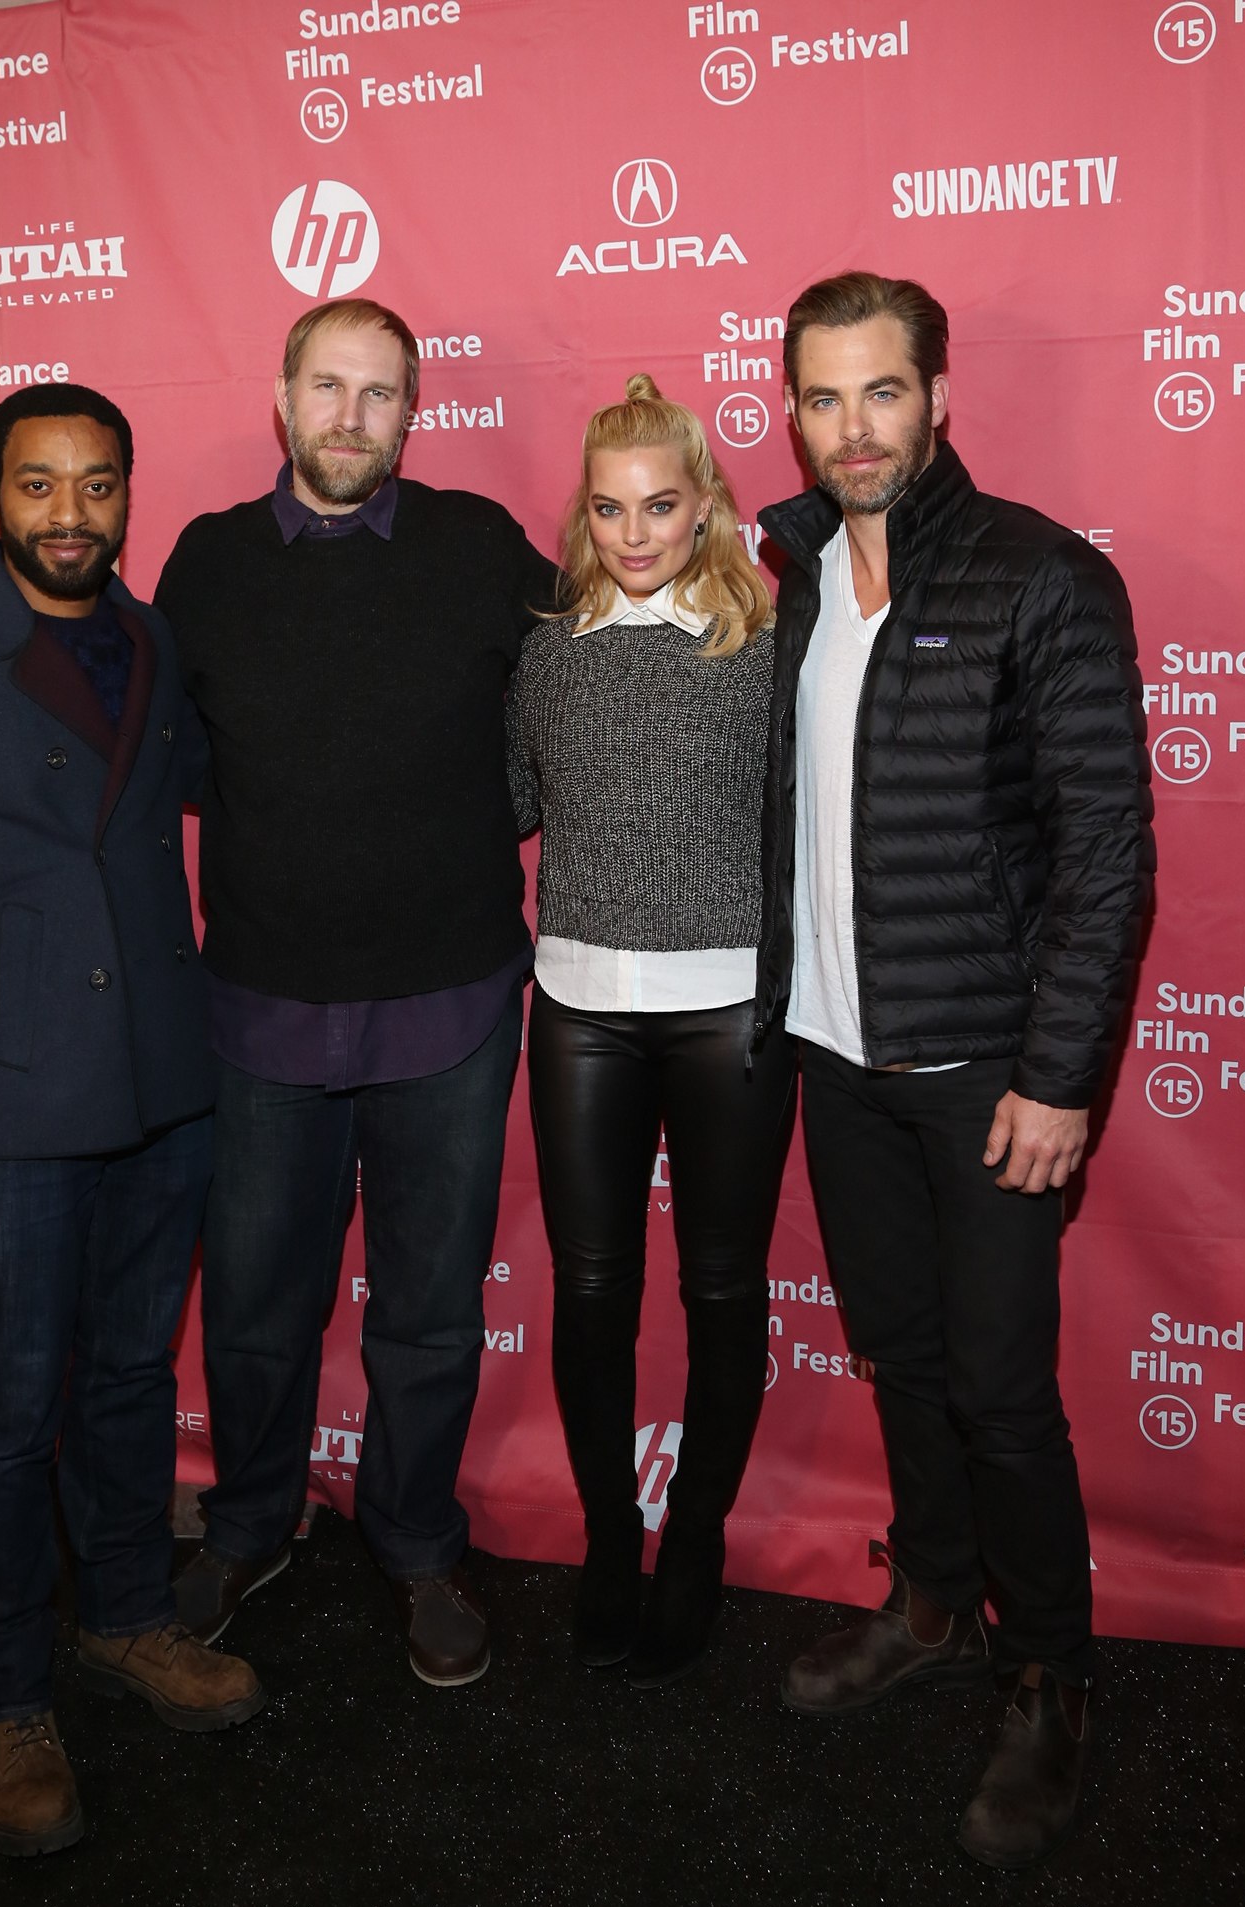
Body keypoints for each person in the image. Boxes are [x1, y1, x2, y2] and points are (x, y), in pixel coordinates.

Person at [754, 273, 1153, 1866]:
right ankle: (930, 1598)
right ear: (794, 411)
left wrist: (1057, 1079)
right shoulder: (793, 578)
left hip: (988, 1068)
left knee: (998, 1390)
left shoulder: (1040, 575)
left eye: (883, 391)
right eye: (824, 397)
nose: (854, 428)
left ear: (936, 397)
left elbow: (1106, 849)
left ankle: (1049, 1673)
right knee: (906, 1360)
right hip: (838, 1058)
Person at [0, 384, 263, 1860]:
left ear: (126, 494)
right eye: (40, 484)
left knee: (133, 1375)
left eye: (96, 485)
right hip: (8, 1110)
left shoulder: (151, 638)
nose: (69, 514)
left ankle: (127, 1613)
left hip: (161, 1089)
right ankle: (2, 1692)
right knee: (13, 1414)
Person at [156, 299, 558, 1686]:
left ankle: (417, 1541)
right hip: (260, 1006)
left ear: (412, 413)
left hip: (449, 1005)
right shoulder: (206, 562)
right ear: (282, 399)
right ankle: (250, 1524)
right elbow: (173, 761)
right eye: (328, 386)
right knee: (255, 1305)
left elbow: (584, 693)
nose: (350, 416)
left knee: (429, 1311)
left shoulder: (481, 546)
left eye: (380, 393)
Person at [508, 376, 795, 1687]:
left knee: (724, 1287)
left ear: (705, 508)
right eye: (611, 509)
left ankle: (697, 1539)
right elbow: (510, 798)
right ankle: (611, 1535)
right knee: (590, 1287)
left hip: (730, 1008)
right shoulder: (547, 652)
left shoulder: (766, 649)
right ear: (586, 514)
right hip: (579, 1008)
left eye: (660, 507)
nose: (634, 533)